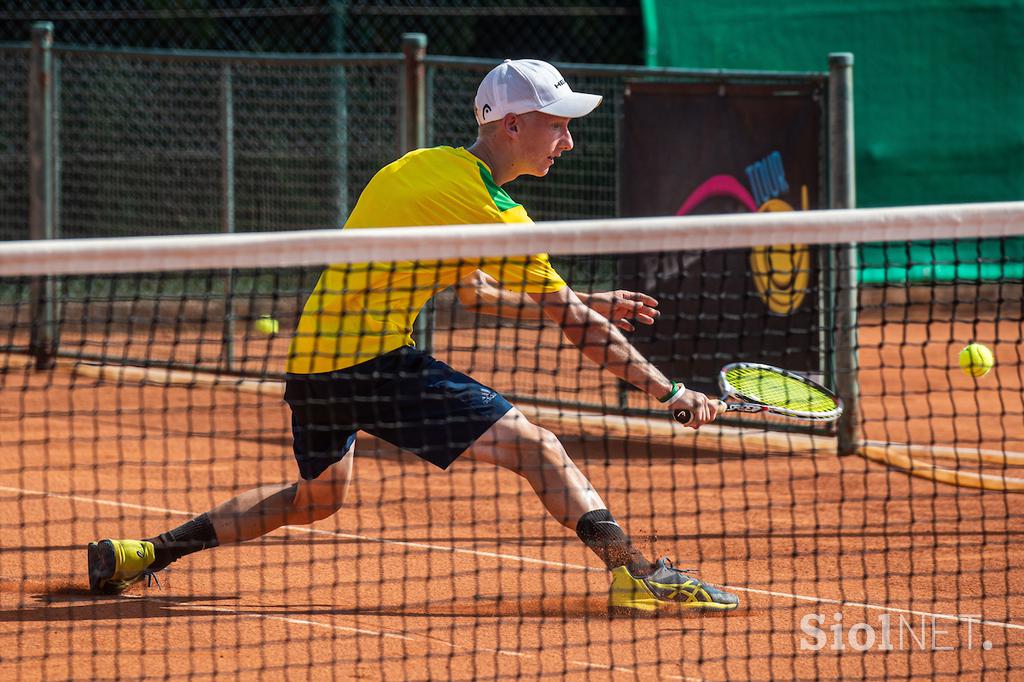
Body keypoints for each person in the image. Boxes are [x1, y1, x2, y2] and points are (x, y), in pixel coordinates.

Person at [88, 59, 738, 614]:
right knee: (538, 447)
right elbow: (576, 329)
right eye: (558, 124)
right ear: (513, 125)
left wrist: (575, 299)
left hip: (313, 362)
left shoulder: (426, 168)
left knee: (315, 498)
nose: (566, 141)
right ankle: (630, 572)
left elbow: (475, 294)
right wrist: (669, 390)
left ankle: (145, 554)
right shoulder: (495, 211)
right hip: (370, 362)